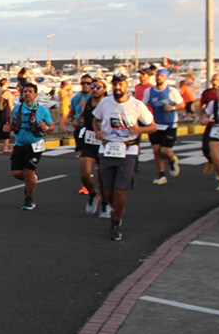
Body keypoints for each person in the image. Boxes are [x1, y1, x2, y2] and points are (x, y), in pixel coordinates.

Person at [93, 74, 157, 241]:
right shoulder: (105, 102)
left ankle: (115, 222)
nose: (117, 88)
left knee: (119, 190)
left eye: (120, 84)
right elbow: (95, 119)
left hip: (128, 150)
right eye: (115, 84)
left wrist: (139, 130)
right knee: (107, 192)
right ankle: (117, 210)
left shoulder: (136, 104)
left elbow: (152, 126)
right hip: (107, 148)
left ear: (127, 85)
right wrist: (98, 131)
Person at [7, 82, 54, 211]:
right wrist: (8, 128)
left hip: (35, 145)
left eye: (30, 92)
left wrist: (46, 127)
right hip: (19, 144)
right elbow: (12, 124)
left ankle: (29, 199)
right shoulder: (17, 109)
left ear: (35, 94)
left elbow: (51, 127)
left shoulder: (42, 110)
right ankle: (31, 179)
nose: (27, 94)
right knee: (16, 173)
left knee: (28, 171)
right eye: (25, 91)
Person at [72, 78, 109, 216]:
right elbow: (82, 117)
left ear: (104, 89)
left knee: (102, 176)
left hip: (104, 141)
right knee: (85, 173)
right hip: (88, 140)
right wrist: (76, 121)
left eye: (98, 86)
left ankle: (105, 203)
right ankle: (93, 194)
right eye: (93, 86)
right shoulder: (85, 102)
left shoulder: (109, 104)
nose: (94, 89)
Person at [145, 69, 184, 186]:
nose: (158, 78)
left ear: (166, 78)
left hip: (169, 124)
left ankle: (172, 160)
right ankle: (161, 175)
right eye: (157, 76)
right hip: (155, 124)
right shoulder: (149, 91)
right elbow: (145, 104)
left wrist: (172, 108)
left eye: (161, 76)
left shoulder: (171, 91)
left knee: (165, 150)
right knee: (156, 151)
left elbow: (182, 104)